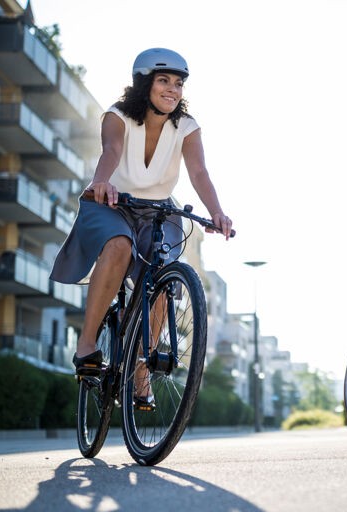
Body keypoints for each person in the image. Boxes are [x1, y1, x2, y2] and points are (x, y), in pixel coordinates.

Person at [50, 48, 233, 407]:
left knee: (164, 271)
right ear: (144, 83)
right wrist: (101, 182)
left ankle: (140, 369)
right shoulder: (116, 116)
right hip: (111, 203)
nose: (172, 89)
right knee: (118, 246)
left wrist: (217, 212)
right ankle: (87, 345)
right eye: (163, 81)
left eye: (178, 83)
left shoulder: (187, 127)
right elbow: (111, 151)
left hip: (157, 211)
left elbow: (199, 173)